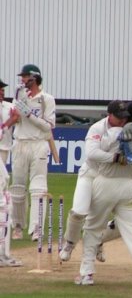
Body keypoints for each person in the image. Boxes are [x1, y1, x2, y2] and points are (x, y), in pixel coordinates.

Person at [75, 101, 132, 289]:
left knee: (92, 228)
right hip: (129, 186)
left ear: (128, 116)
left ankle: (87, 274)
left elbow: (96, 153)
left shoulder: (115, 132)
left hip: (105, 183)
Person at [59, 100, 132, 262]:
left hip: (110, 179)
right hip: (90, 174)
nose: (122, 120)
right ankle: (69, 243)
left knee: (122, 225)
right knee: (78, 212)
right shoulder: (97, 128)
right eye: (118, 117)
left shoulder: (127, 125)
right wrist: (115, 158)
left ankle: (98, 241)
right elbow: (92, 153)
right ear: (109, 115)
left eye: (124, 117)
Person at [10, 64, 56, 241]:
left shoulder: (47, 99)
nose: (22, 80)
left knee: (38, 188)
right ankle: (18, 227)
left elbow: (49, 126)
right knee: (18, 188)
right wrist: (17, 106)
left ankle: (36, 229)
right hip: (20, 143)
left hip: (38, 144)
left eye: (25, 76)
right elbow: (14, 120)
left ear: (34, 78)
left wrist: (29, 115)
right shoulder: (20, 95)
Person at [0, 79, 22, 267]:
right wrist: (11, 121)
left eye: (1, 90)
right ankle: (2, 255)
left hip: (3, 151)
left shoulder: (8, 105)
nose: (1, 92)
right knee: (4, 203)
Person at [0, 79, 15, 164]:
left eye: (2, 90)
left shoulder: (10, 106)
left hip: (3, 148)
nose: (2, 92)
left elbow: (19, 118)